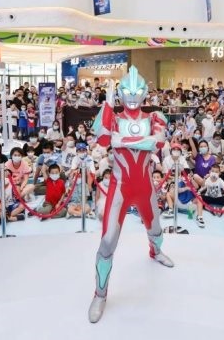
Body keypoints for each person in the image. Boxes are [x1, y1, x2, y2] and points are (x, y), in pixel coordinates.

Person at [89, 68, 173, 323]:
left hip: (145, 186)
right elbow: (103, 140)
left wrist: (122, 141)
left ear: (145, 93)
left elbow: (156, 142)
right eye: (127, 91)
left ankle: (155, 252)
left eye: (138, 91)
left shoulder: (155, 116)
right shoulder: (113, 118)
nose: (133, 96)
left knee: (156, 229)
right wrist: (107, 104)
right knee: (107, 242)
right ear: (121, 93)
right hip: (120, 188)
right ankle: (100, 294)